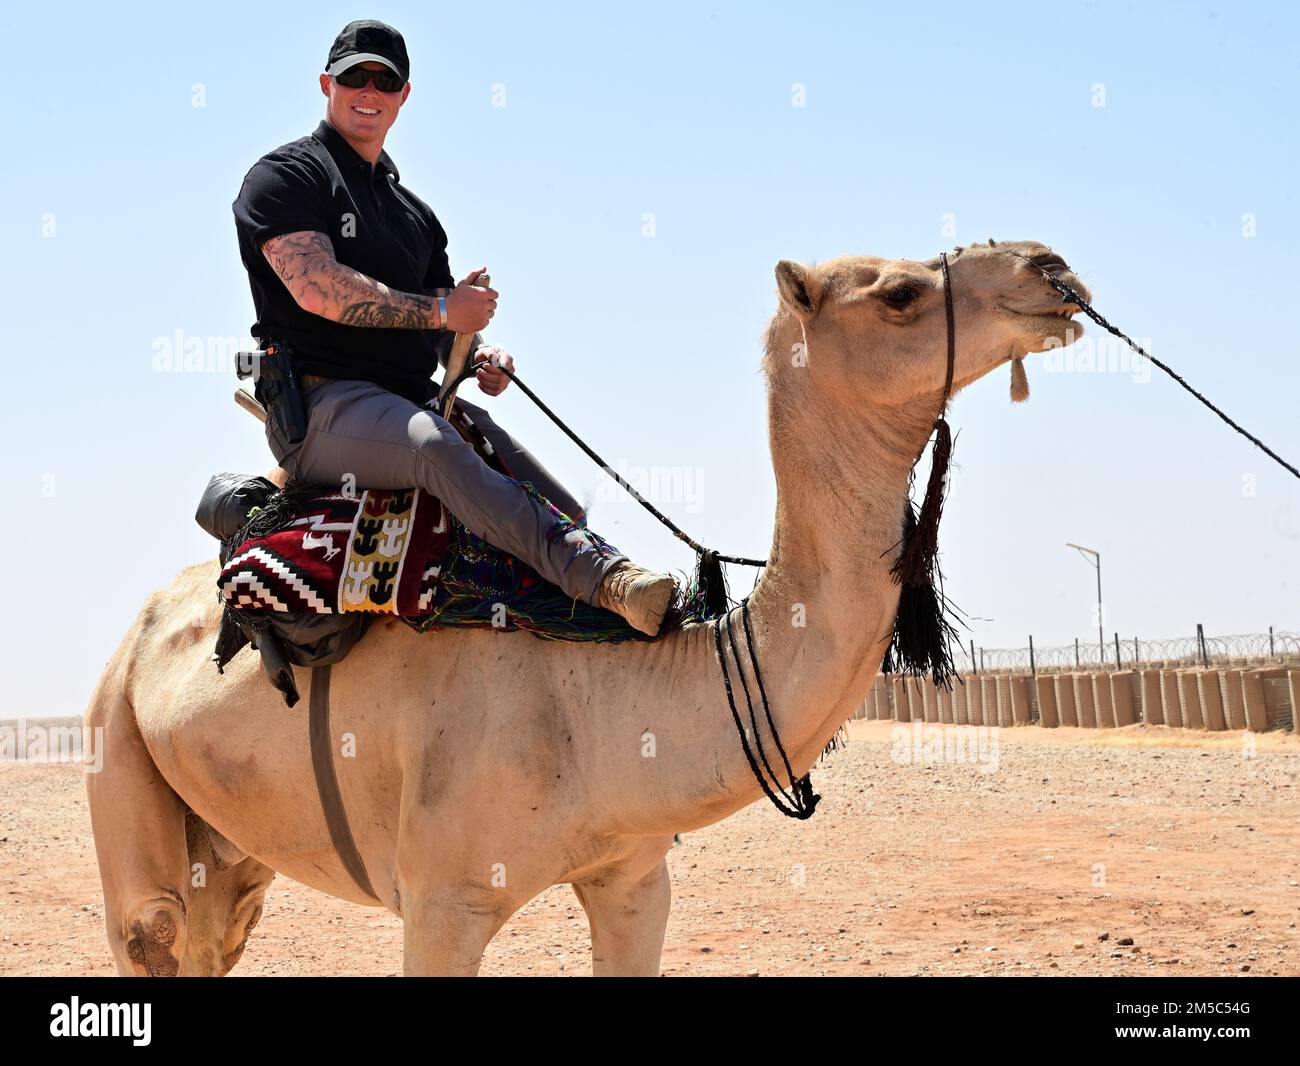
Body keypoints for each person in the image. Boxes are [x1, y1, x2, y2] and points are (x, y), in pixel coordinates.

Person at [232, 19, 675, 636]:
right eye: (354, 76)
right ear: (326, 83)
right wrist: (444, 312)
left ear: (404, 96)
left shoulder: (415, 215)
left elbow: (443, 335)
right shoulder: (285, 177)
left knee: (560, 506)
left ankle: (598, 612)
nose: (369, 90)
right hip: (323, 407)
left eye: (384, 80)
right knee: (433, 448)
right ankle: (604, 582)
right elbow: (318, 290)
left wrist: (477, 352)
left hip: (418, 401)